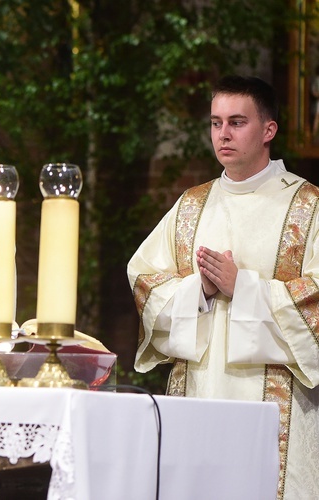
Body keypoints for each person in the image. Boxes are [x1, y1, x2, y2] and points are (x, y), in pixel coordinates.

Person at [127, 76, 319, 500]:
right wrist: (200, 291)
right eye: (216, 123)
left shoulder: (308, 206)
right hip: (198, 393)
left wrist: (242, 287)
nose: (223, 134)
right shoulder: (192, 204)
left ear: (268, 130)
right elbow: (144, 279)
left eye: (237, 122)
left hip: (277, 406)